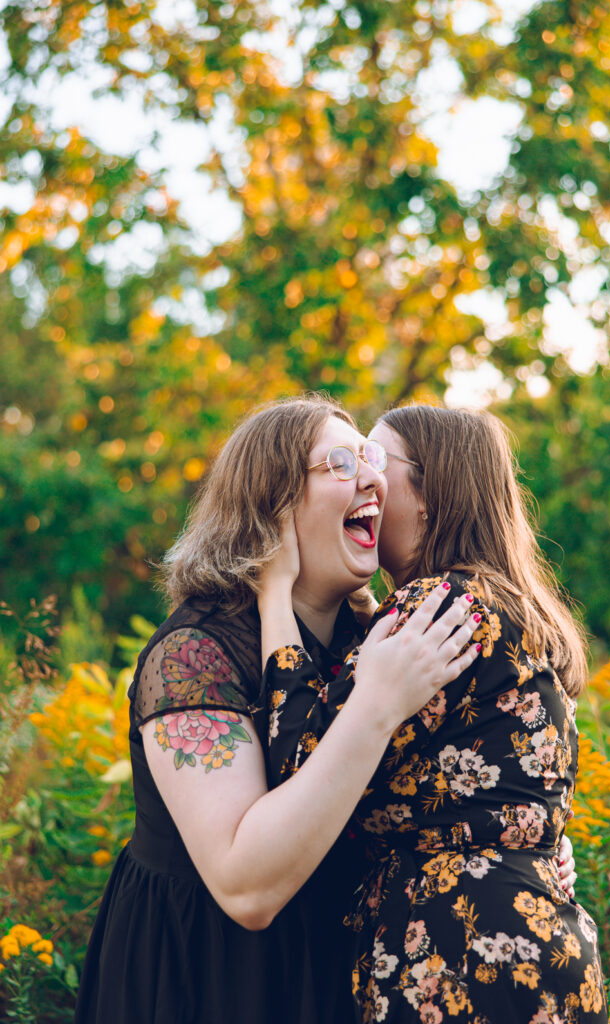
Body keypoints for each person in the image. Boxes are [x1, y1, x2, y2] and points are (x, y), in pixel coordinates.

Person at [74, 395, 483, 1024]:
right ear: (273, 504)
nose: (373, 477)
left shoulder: (372, 643)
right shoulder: (193, 654)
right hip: (206, 979)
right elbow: (247, 888)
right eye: (341, 463)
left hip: (335, 972)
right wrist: (375, 709)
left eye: (372, 459)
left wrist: (522, 854)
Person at [259, 404, 605, 1023]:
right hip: (546, 942)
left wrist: (273, 594)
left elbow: (297, 762)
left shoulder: (433, 607)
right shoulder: (513, 607)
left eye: (376, 460)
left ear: (428, 497)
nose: (364, 478)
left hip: (456, 953)